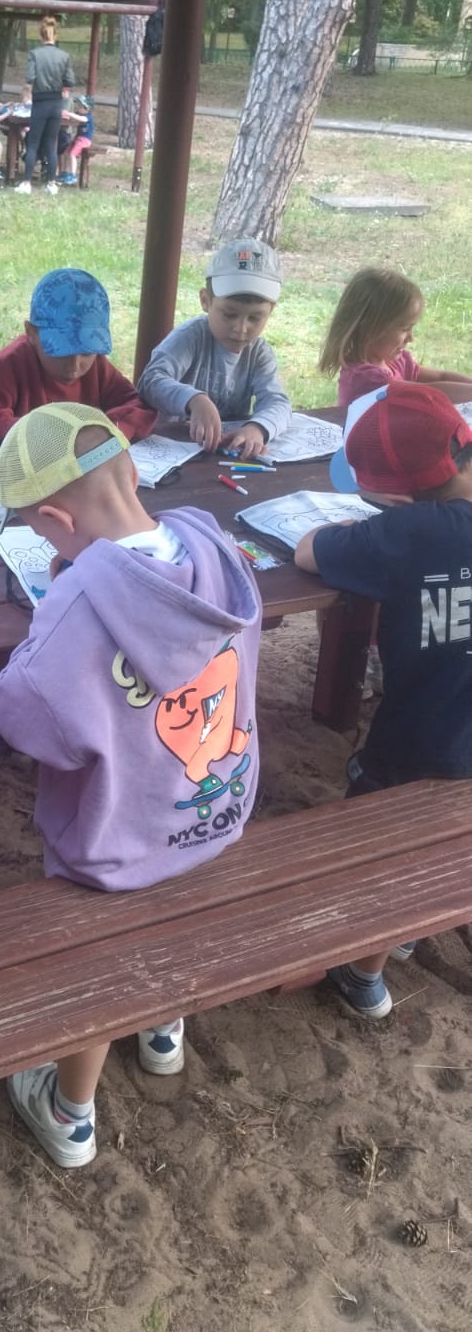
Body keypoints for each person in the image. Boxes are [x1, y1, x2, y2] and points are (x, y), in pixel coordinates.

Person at [0, 402, 262, 1166]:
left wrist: (62, 604)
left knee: (97, 971)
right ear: (132, 471)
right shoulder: (211, 543)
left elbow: (24, 719)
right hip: (213, 815)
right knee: (172, 920)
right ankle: (163, 1029)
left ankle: (70, 1112)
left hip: (118, 844)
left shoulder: (77, 604)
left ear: (54, 520)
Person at [294, 383, 472, 1019]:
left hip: (420, 739)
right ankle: (413, 926)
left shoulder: (407, 533)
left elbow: (308, 551)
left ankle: (363, 969)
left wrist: (356, 527)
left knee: (384, 854)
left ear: (392, 497)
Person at [0, 269, 156, 445]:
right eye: (60, 352)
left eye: (86, 352)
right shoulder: (11, 364)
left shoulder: (97, 367)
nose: (74, 367)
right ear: (32, 333)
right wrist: (41, 434)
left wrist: (102, 432)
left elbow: (136, 405)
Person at [138, 237, 291, 459]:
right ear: (205, 301)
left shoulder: (258, 354)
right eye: (229, 314)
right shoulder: (190, 337)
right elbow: (151, 381)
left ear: (271, 311)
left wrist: (258, 428)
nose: (241, 328)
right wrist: (193, 400)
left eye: (255, 318)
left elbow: (277, 402)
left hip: (225, 454)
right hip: (171, 449)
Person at [319, 266, 472, 407]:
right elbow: (429, 393)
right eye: (405, 328)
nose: (410, 338)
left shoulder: (393, 361)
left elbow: (440, 376)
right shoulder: (366, 379)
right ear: (371, 328)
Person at [16, 15, 75, 196]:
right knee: (51, 144)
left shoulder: (35, 54)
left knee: (33, 143)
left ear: (41, 35)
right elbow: (70, 81)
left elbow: (30, 78)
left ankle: (26, 182)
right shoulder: (64, 56)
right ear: (55, 35)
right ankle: (51, 183)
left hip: (40, 102)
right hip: (56, 103)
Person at [58, 95, 94, 185]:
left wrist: (69, 114)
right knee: (66, 153)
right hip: (77, 139)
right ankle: (65, 172)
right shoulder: (79, 115)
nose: (78, 108)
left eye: (80, 106)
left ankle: (72, 175)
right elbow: (75, 120)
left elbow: (82, 119)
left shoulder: (88, 116)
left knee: (72, 154)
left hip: (84, 140)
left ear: (87, 108)